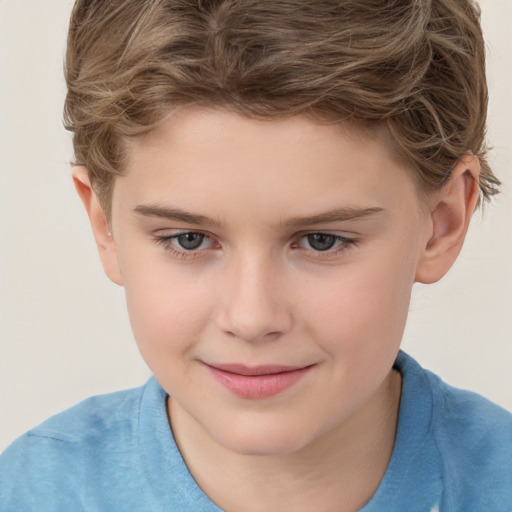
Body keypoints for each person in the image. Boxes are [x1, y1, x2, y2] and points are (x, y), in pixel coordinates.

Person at [1, 0, 511, 511]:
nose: (251, 318)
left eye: (321, 241)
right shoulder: (29, 493)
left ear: (441, 223)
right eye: (188, 240)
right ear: (104, 225)